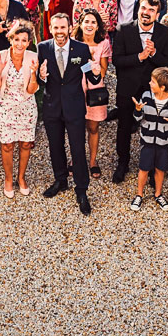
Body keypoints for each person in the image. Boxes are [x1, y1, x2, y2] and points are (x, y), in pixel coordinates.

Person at [37, 12, 102, 216]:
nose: (59, 32)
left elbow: (90, 76)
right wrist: (40, 77)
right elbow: (40, 80)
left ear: (69, 27)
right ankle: (60, 180)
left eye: (62, 28)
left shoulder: (81, 49)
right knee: (55, 146)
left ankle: (81, 189)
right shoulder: (43, 48)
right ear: (51, 28)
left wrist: (97, 72)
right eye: (55, 28)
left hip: (74, 106)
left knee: (77, 148)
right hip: (52, 106)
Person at [112, 0, 168, 184]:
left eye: (151, 10)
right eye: (144, 8)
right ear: (138, 8)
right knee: (123, 126)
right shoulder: (123, 29)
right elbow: (117, 60)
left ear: (157, 14)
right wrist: (139, 56)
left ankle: (150, 167)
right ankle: (123, 162)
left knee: (153, 127)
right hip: (127, 88)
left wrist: (154, 54)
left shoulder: (165, 33)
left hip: (153, 91)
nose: (146, 13)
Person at [0, 21, 40, 197]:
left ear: (29, 42)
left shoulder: (33, 57)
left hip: (27, 107)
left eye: (24, 40)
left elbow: (32, 90)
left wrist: (34, 73)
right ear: (11, 39)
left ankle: (22, 178)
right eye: (16, 39)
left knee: (26, 144)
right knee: (7, 145)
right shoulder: (1, 56)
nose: (20, 44)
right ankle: (8, 179)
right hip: (5, 107)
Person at [130, 67, 168, 212]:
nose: (149, 83)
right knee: (143, 169)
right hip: (147, 141)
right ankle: (139, 194)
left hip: (164, 143)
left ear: (162, 87)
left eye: (153, 81)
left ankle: (158, 194)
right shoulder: (146, 96)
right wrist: (138, 110)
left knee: (160, 169)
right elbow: (137, 118)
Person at [74, 8, 111, 178]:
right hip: (74, 90)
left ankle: (93, 160)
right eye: (86, 21)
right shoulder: (72, 42)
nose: (89, 25)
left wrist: (88, 62)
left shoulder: (103, 44)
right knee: (76, 128)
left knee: (93, 127)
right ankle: (76, 160)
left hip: (94, 92)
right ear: (80, 24)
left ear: (98, 26)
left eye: (93, 22)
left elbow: (102, 72)